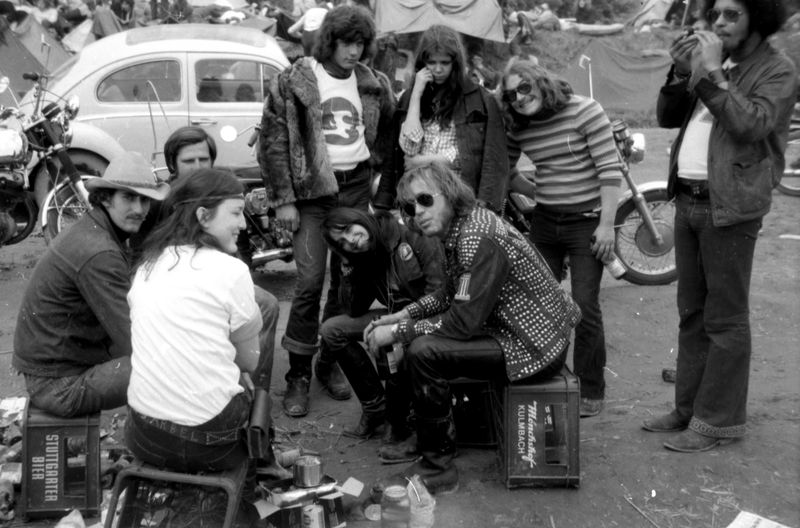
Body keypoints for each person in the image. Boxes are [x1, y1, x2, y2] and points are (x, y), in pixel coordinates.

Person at [365, 160, 581, 494]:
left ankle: (437, 468)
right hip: (513, 332)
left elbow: (461, 323)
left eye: (425, 200)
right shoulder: (461, 227)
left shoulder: (476, 236)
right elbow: (450, 293)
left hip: (533, 345)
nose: (417, 212)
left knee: (424, 352)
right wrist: (404, 316)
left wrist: (397, 333)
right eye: (409, 207)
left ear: (449, 194)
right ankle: (427, 439)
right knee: (419, 340)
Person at [642, 0, 797, 452]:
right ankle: (688, 408)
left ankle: (718, 422)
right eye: (717, 14)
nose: (720, 23)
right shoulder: (717, 63)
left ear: (759, 18)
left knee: (725, 319)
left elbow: (750, 123)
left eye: (733, 15)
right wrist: (678, 72)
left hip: (730, 207)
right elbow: (668, 117)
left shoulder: (777, 69)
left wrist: (709, 72)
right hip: (689, 201)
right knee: (692, 314)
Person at [258, 4, 396, 417]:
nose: (353, 51)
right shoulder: (298, 79)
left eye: (359, 43)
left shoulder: (373, 85)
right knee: (309, 280)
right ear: (329, 42)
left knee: (347, 281)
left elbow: (388, 139)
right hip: (311, 194)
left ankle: (329, 361)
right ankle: (297, 374)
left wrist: (379, 193)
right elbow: (273, 140)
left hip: (354, 189)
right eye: (345, 43)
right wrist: (283, 199)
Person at [125, 168, 282, 500]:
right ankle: (250, 495)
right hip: (208, 445)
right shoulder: (231, 271)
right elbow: (250, 360)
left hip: (144, 435)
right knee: (256, 394)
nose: (243, 223)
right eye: (236, 213)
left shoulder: (147, 266)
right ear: (202, 216)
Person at [499, 59, 623, 419]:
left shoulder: (585, 110)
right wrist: (531, 186)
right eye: (511, 94)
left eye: (525, 88)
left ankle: (590, 388)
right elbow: (505, 170)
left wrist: (607, 225)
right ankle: (548, 379)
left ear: (541, 82)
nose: (519, 98)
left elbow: (609, 170)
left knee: (584, 306)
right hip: (544, 223)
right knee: (540, 305)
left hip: (587, 223)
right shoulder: (519, 125)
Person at [12, 152, 169, 417]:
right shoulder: (99, 252)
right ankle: (164, 444)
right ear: (106, 197)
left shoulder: (96, 229)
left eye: (145, 200)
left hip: (54, 371)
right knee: (171, 363)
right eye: (129, 198)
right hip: (59, 386)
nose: (139, 209)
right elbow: (136, 339)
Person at [319, 208, 444, 453]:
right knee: (332, 330)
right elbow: (353, 309)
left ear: (359, 218)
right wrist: (348, 266)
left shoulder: (410, 233)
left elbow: (439, 295)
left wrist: (399, 328)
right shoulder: (363, 254)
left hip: (426, 317)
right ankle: (375, 407)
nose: (351, 240)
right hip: (392, 315)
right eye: (342, 242)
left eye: (348, 230)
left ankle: (398, 419)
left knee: (394, 346)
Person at [388, 24, 508, 214]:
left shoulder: (480, 98)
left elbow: (480, 156)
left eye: (444, 63)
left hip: (459, 196)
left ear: (455, 63)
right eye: (431, 62)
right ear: (423, 62)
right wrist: (416, 94)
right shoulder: (411, 97)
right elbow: (409, 149)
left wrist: (423, 160)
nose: (437, 69)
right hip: (421, 196)